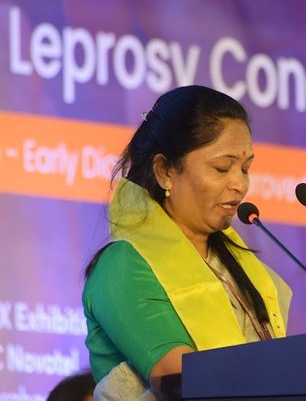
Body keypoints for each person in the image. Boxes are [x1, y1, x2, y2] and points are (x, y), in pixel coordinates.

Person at [82, 85, 293, 401]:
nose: (239, 184)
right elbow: (179, 378)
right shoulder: (124, 264)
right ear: (165, 171)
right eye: (222, 168)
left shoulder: (236, 267)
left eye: (245, 168)